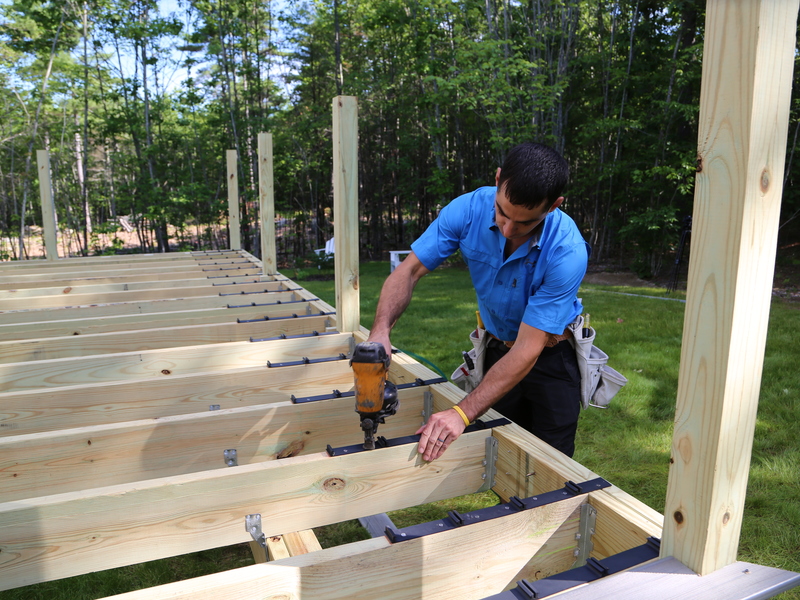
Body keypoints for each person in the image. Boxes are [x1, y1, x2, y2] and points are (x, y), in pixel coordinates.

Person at [367, 142, 589, 461]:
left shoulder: (566, 251)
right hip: (497, 349)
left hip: (552, 358)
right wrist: (380, 331)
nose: (508, 228)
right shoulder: (467, 210)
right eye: (501, 211)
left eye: (525, 223)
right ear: (498, 179)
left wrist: (461, 412)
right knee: (501, 457)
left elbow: (529, 348)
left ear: (554, 205)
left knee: (550, 465)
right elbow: (409, 270)